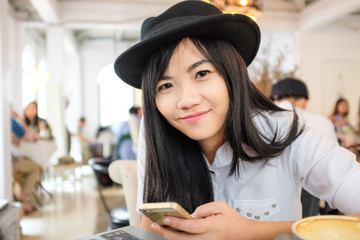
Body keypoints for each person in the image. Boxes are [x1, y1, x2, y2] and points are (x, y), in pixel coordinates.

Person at [114, 1, 360, 239]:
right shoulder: (158, 132)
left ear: (233, 74)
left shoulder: (285, 133)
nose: (186, 100)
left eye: (202, 73)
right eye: (165, 85)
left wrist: (250, 232)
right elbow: (150, 225)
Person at [270, 78, 338, 217]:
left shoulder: (263, 121)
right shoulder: (321, 121)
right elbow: (333, 168)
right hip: (309, 206)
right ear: (305, 101)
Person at [11, 111, 41, 214]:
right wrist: (18, 117)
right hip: (9, 163)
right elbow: (23, 133)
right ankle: (24, 198)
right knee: (35, 167)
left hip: (10, 161)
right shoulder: (10, 120)